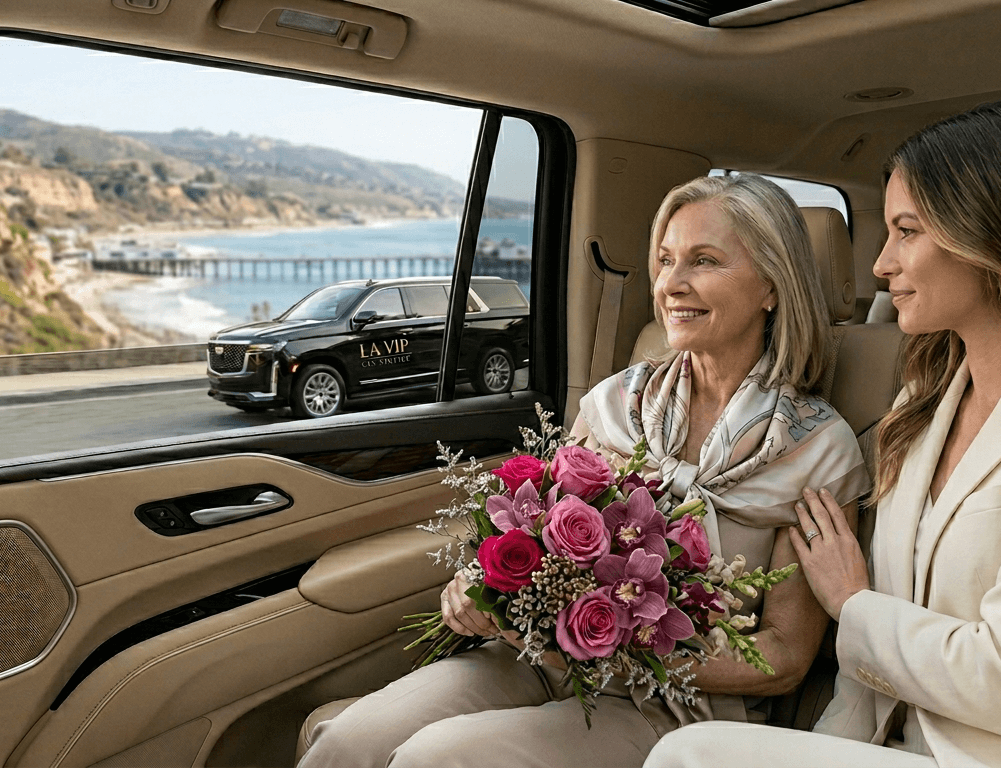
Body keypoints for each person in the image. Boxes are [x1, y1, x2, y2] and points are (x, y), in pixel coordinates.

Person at [644, 101, 1001, 767]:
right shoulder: (924, 407)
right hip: (922, 752)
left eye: (906, 231)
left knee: (691, 755)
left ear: (993, 236)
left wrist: (852, 603)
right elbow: (870, 685)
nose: (880, 265)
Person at [298, 174, 870, 768]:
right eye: (666, 260)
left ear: (772, 286)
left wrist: (611, 653)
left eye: (704, 262)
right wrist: (481, 591)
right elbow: (533, 530)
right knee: (348, 740)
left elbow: (784, 657)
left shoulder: (816, 449)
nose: (671, 284)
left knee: (436, 758)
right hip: (536, 662)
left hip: (673, 703)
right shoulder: (614, 404)